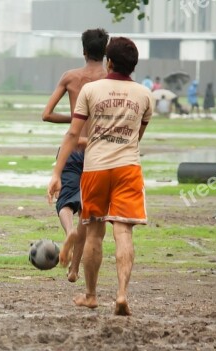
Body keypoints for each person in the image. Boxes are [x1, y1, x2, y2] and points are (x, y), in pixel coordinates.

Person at [48, 36, 152, 316]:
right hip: (128, 168)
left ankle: (91, 295)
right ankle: (121, 295)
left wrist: (57, 173)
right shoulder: (144, 95)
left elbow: (73, 132)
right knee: (123, 231)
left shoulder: (91, 90)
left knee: (94, 232)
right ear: (133, 65)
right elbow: (136, 138)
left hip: (95, 169)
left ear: (109, 62)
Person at [42, 28, 109, 283]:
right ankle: (74, 269)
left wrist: (75, 120)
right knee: (88, 211)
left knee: (65, 201)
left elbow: (46, 114)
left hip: (72, 148)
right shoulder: (109, 80)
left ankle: (68, 231)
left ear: (83, 51)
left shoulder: (70, 77)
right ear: (105, 53)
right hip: (98, 151)